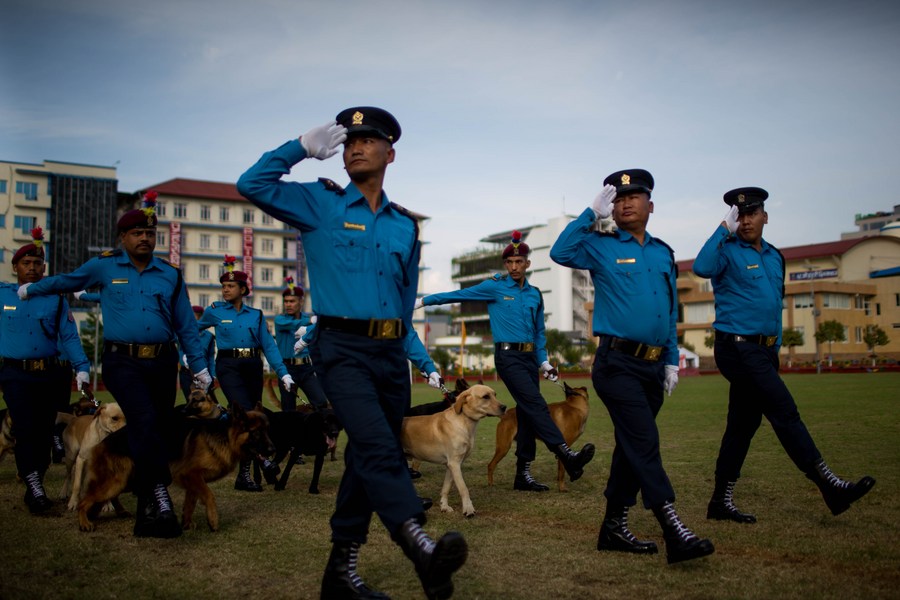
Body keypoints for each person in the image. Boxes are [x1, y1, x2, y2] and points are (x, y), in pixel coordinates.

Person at [237, 106, 467, 600]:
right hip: (341, 349)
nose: (355, 147)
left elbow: (405, 304)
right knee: (381, 447)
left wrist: (413, 357)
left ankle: (341, 572)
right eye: (347, 142)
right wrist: (299, 147)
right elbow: (251, 184)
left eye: (367, 140)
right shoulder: (319, 204)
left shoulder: (405, 226)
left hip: (390, 355)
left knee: (367, 456)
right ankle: (419, 546)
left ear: (390, 152)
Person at [18, 193, 211, 538]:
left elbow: (185, 325)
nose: (144, 239)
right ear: (122, 238)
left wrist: (199, 367)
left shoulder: (170, 274)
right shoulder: (105, 266)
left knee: (155, 429)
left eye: (150, 233)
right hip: (122, 361)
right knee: (145, 420)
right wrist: (33, 288)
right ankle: (160, 495)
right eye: (136, 233)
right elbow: (67, 281)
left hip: (162, 361)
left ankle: (145, 517)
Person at [550, 169, 714, 564]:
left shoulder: (663, 252)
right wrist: (590, 214)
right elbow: (560, 252)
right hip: (616, 363)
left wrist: (672, 359)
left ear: (650, 205)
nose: (625, 203)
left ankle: (613, 528)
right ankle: (673, 528)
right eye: (619, 198)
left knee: (630, 447)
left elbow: (668, 310)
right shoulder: (599, 245)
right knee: (644, 442)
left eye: (634, 196)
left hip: (653, 368)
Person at [693, 187, 875, 522]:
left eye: (751, 213)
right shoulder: (726, 251)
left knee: (742, 425)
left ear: (765, 216)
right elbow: (701, 267)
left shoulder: (776, 256)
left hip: (763, 351)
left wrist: (774, 348)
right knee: (784, 410)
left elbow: (775, 305)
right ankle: (828, 484)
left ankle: (720, 502)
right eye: (739, 214)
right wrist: (723, 228)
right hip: (736, 346)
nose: (745, 220)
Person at [416, 231, 595, 492]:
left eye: (518, 262)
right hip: (508, 357)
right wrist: (425, 301)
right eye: (509, 263)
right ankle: (566, 454)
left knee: (527, 412)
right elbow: (460, 294)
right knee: (536, 404)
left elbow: (539, 333)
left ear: (527, 264)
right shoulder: (495, 286)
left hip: (529, 358)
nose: (513, 267)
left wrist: (544, 362)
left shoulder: (535, 294)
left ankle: (522, 475)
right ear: (505, 265)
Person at [1, 228, 91, 513]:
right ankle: (36, 489)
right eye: (26, 263)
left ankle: (34, 483)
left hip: (50, 375)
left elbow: (69, 336)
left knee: (42, 432)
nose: (32, 268)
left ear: (44, 268)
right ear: (15, 267)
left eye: (37, 264)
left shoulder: (55, 299)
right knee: (25, 428)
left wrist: (82, 369)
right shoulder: (4, 294)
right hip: (16, 374)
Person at [197, 256, 294, 492]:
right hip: (228, 366)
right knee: (246, 413)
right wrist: (198, 365)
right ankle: (263, 461)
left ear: (243, 289)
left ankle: (245, 474)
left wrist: (283, 373)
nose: (225, 290)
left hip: (252, 365)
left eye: (230, 286)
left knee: (253, 415)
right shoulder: (214, 311)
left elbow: (268, 345)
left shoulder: (256, 314)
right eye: (223, 286)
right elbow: (191, 330)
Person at [274, 277, 328, 411]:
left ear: (301, 301)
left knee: (321, 402)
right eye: (286, 301)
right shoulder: (280, 320)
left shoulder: (307, 319)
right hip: (287, 368)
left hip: (306, 368)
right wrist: (314, 321)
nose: (288, 304)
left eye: (292, 301)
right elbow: (295, 324)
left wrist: (314, 322)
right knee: (288, 409)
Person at [179, 305, 218, 404]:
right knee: (191, 403)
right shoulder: (183, 333)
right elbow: (180, 352)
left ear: (201, 317)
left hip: (204, 374)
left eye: (195, 316)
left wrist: (213, 375)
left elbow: (210, 358)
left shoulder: (209, 337)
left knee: (206, 403)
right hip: (187, 373)